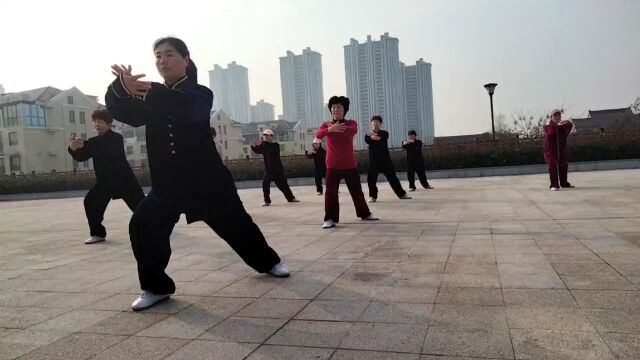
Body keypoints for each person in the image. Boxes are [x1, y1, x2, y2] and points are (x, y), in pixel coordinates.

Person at [105, 37, 289, 312]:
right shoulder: (149, 99)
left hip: (208, 183)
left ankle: (268, 262)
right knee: (142, 226)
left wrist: (147, 91)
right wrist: (120, 88)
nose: (162, 60)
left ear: (185, 60)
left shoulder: (200, 93)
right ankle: (157, 287)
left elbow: (188, 109)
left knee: (238, 226)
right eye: (157, 56)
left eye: (169, 54)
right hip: (166, 185)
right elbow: (124, 112)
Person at [68, 109, 144, 244]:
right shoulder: (92, 141)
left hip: (123, 179)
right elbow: (81, 157)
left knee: (141, 206)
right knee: (90, 202)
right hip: (105, 182)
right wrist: (73, 148)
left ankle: (156, 225)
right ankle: (98, 234)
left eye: (100, 121)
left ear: (108, 123)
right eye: (95, 122)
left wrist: (84, 145)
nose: (97, 124)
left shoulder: (116, 138)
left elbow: (108, 151)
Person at [315, 96, 378, 229]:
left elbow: (353, 130)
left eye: (339, 107)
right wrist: (330, 129)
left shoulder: (351, 123)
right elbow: (318, 134)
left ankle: (364, 214)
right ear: (330, 110)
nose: (336, 109)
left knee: (357, 192)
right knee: (330, 193)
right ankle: (330, 219)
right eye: (333, 107)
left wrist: (337, 128)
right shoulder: (326, 124)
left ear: (344, 110)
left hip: (350, 165)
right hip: (332, 166)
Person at [365, 115, 411, 202]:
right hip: (374, 161)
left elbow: (380, 139)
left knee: (393, 178)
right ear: (371, 123)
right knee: (371, 179)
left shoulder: (385, 133)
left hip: (385, 161)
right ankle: (372, 196)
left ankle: (402, 194)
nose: (375, 123)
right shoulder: (367, 135)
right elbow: (367, 139)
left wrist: (373, 138)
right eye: (373, 122)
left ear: (380, 123)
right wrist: (372, 137)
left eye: (377, 121)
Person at [251, 129, 299, 206]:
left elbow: (268, 149)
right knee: (265, 185)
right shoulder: (263, 146)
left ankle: (291, 198)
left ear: (271, 136)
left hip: (278, 170)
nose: (266, 137)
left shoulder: (275, 145)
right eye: (265, 136)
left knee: (283, 185)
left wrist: (260, 144)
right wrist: (253, 146)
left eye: (267, 135)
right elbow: (257, 150)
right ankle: (267, 201)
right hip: (268, 170)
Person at [544, 109, 574, 191]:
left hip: (561, 151)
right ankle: (554, 185)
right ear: (551, 117)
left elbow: (569, 127)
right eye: (555, 115)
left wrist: (567, 122)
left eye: (559, 115)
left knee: (563, 166)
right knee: (553, 168)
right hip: (551, 152)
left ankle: (564, 183)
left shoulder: (562, 128)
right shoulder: (548, 127)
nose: (557, 117)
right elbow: (551, 132)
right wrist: (556, 124)